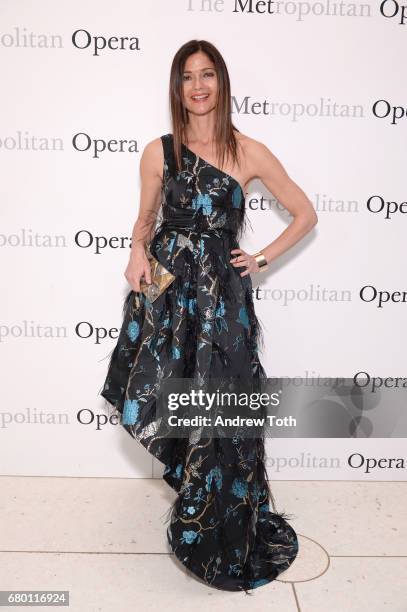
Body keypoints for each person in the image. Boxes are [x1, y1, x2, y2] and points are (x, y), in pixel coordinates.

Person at [100, 39, 317, 594]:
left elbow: (304, 213)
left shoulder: (249, 151)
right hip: (170, 298)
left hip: (223, 300)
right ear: (177, 88)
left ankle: (225, 521)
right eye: (187, 77)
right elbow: (145, 219)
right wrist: (134, 254)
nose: (198, 86)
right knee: (168, 394)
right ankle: (194, 503)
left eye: (208, 75)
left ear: (222, 82)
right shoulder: (159, 151)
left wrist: (261, 256)